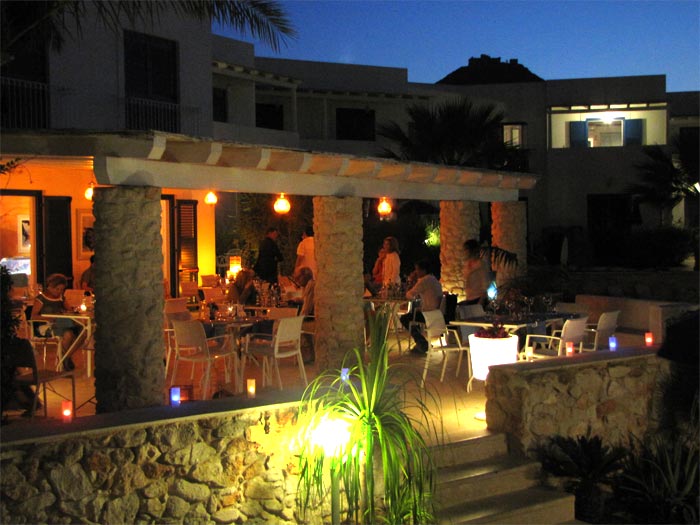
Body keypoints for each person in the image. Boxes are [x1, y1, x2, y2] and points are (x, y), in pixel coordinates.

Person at [30, 273, 79, 371]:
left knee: (83, 332)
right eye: (57, 289)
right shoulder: (41, 299)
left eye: (62, 289)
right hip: (46, 326)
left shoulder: (61, 298)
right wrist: (49, 318)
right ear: (50, 287)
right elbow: (33, 316)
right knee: (70, 334)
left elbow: (69, 310)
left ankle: (65, 357)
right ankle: (65, 359)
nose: (59, 292)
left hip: (61, 324)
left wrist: (70, 311)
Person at [400, 259, 443, 355]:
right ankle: (421, 343)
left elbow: (409, 295)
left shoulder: (425, 280)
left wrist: (411, 281)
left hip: (429, 314)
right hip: (437, 313)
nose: (416, 272)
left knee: (404, 318)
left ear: (423, 270)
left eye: (417, 269)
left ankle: (422, 343)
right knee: (414, 314)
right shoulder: (433, 279)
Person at [296, 266, 316, 364]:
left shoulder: (310, 286)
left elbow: (307, 308)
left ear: (305, 277)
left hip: (312, 318)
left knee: (295, 325)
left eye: (298, 277)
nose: (297, 280)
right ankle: (310, 354)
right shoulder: (309, 285)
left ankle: (306, 355)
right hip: (312, 316)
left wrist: (298, 320)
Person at [462, 239, 488, 306]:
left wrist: (480, 303)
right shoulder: (467, 264)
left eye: (466, 249)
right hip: (469, 298)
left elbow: (485, 286)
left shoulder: (481, 264)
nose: (465, 252)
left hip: (479, 299)